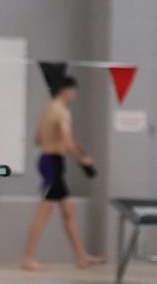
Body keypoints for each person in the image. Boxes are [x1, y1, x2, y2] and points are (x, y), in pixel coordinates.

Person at [21, 75, 103, 271]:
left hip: (47, 160)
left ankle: (81, 257)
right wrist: (82, 159)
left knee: (68, 210)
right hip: (53, 164)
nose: (74, 94)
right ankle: (27, 258)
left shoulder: (47, 109)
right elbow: (66, 142)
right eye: (73, 90)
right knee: (43, 212)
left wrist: (60, 144)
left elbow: (38, 139)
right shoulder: (63, 112)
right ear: (65, 90)